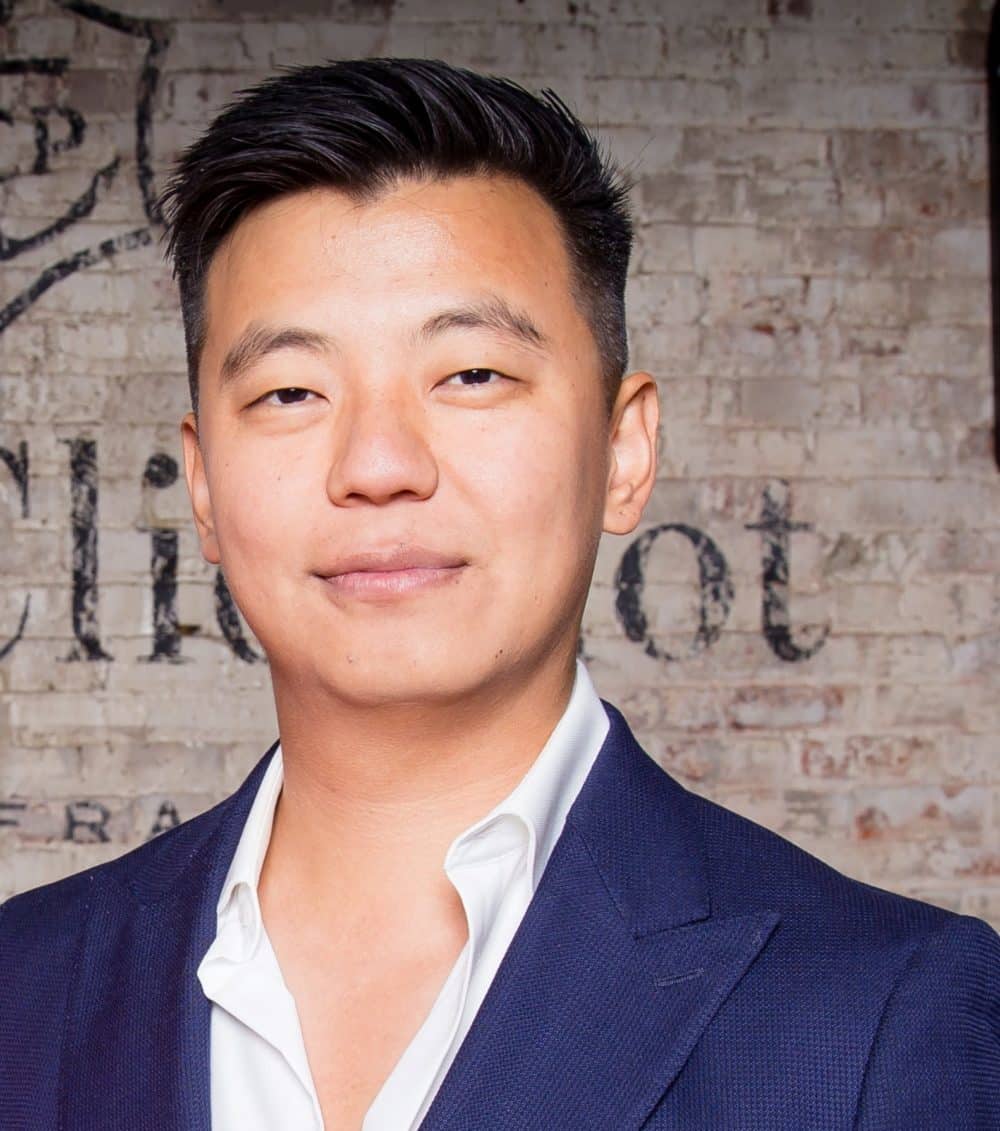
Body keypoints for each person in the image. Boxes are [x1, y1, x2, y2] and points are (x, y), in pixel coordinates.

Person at [0, 58, 997, 1131]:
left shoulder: (882, 1013)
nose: (378, 462)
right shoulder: (27, 984)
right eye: (292, 391)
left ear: (622, 449)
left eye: (470, 375)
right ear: (201, 484)